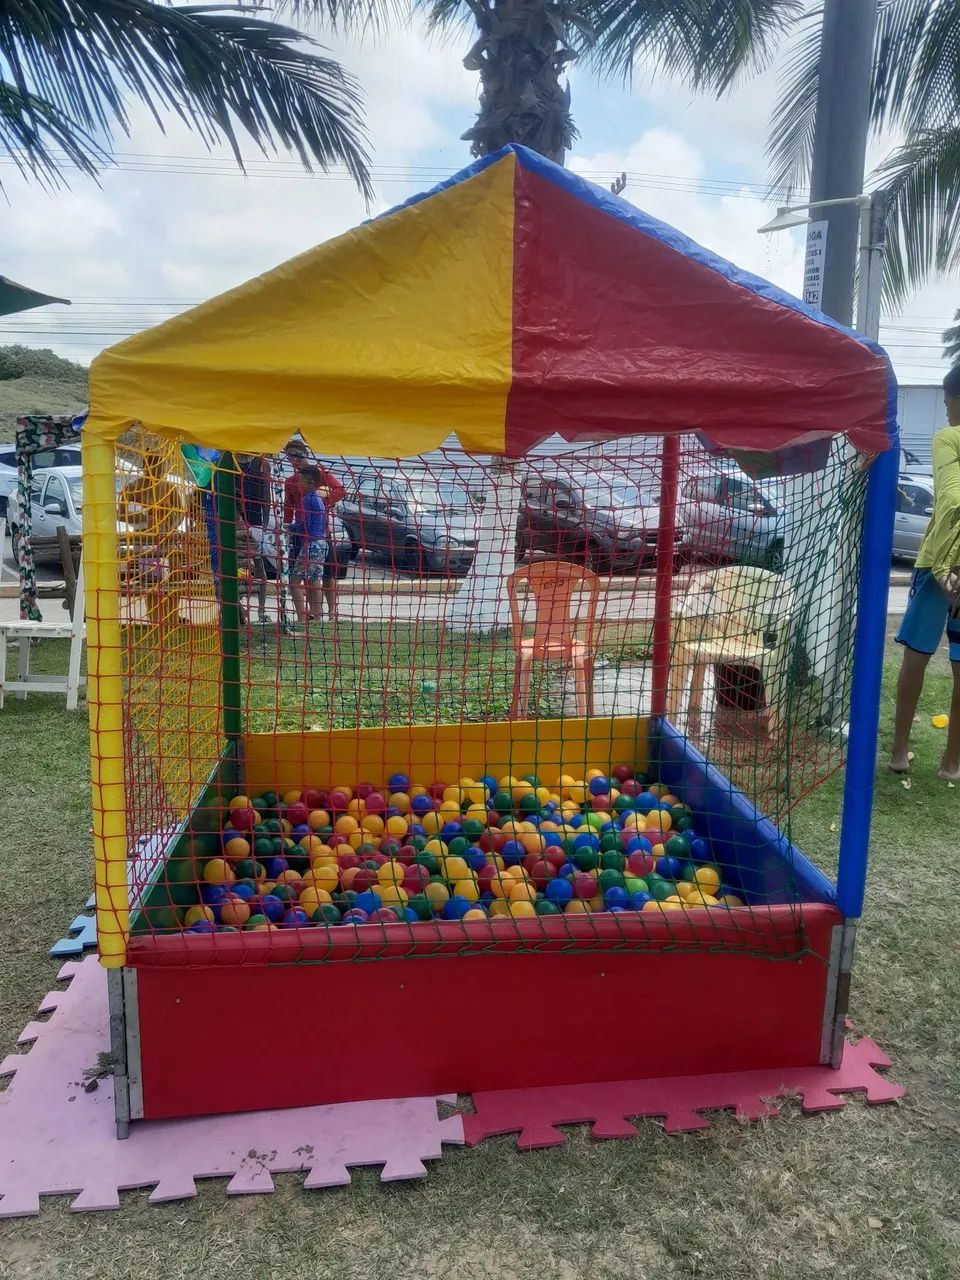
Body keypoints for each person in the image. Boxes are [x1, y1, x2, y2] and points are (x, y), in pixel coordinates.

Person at [890, 367, 960, 780]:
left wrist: (947, 564)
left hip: (941, 567)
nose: (947, 411)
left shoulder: (948, 437)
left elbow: (952, 498)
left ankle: (900, 752)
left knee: (916, 658)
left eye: (948, 403)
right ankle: (952, 763)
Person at [282, 437, 346, 621]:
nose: (295, 460)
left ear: (306, 455)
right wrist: (288, 529)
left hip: (319, 533)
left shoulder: (318, 475)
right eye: (290, 457)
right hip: (303, 536)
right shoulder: (291, 482)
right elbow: (288, 509)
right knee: (309, 577)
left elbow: (340, 491)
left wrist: (322, 500)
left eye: (298, 455)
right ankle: (313, 613)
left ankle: (331, 610)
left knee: (326, 573)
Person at [288, 466, 328, 626]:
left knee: (294, 582)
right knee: (315, 580)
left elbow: (305, 524)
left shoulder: (307, 499)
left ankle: (301, 617)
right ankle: (317, 618)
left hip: (311, 544)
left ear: (311, 483)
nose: (298, 485)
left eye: (301, 482)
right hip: (321, 542)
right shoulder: (318, 498)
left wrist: (289, 528)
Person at [237, 452, 271, 625]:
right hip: (235, 521)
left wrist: (264, 524)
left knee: (259, 566)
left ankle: (262, 609)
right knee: (236, 566)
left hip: (255, 521)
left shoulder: (261, 463)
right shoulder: (229, 460)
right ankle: (237, 608)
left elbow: (266, 497)